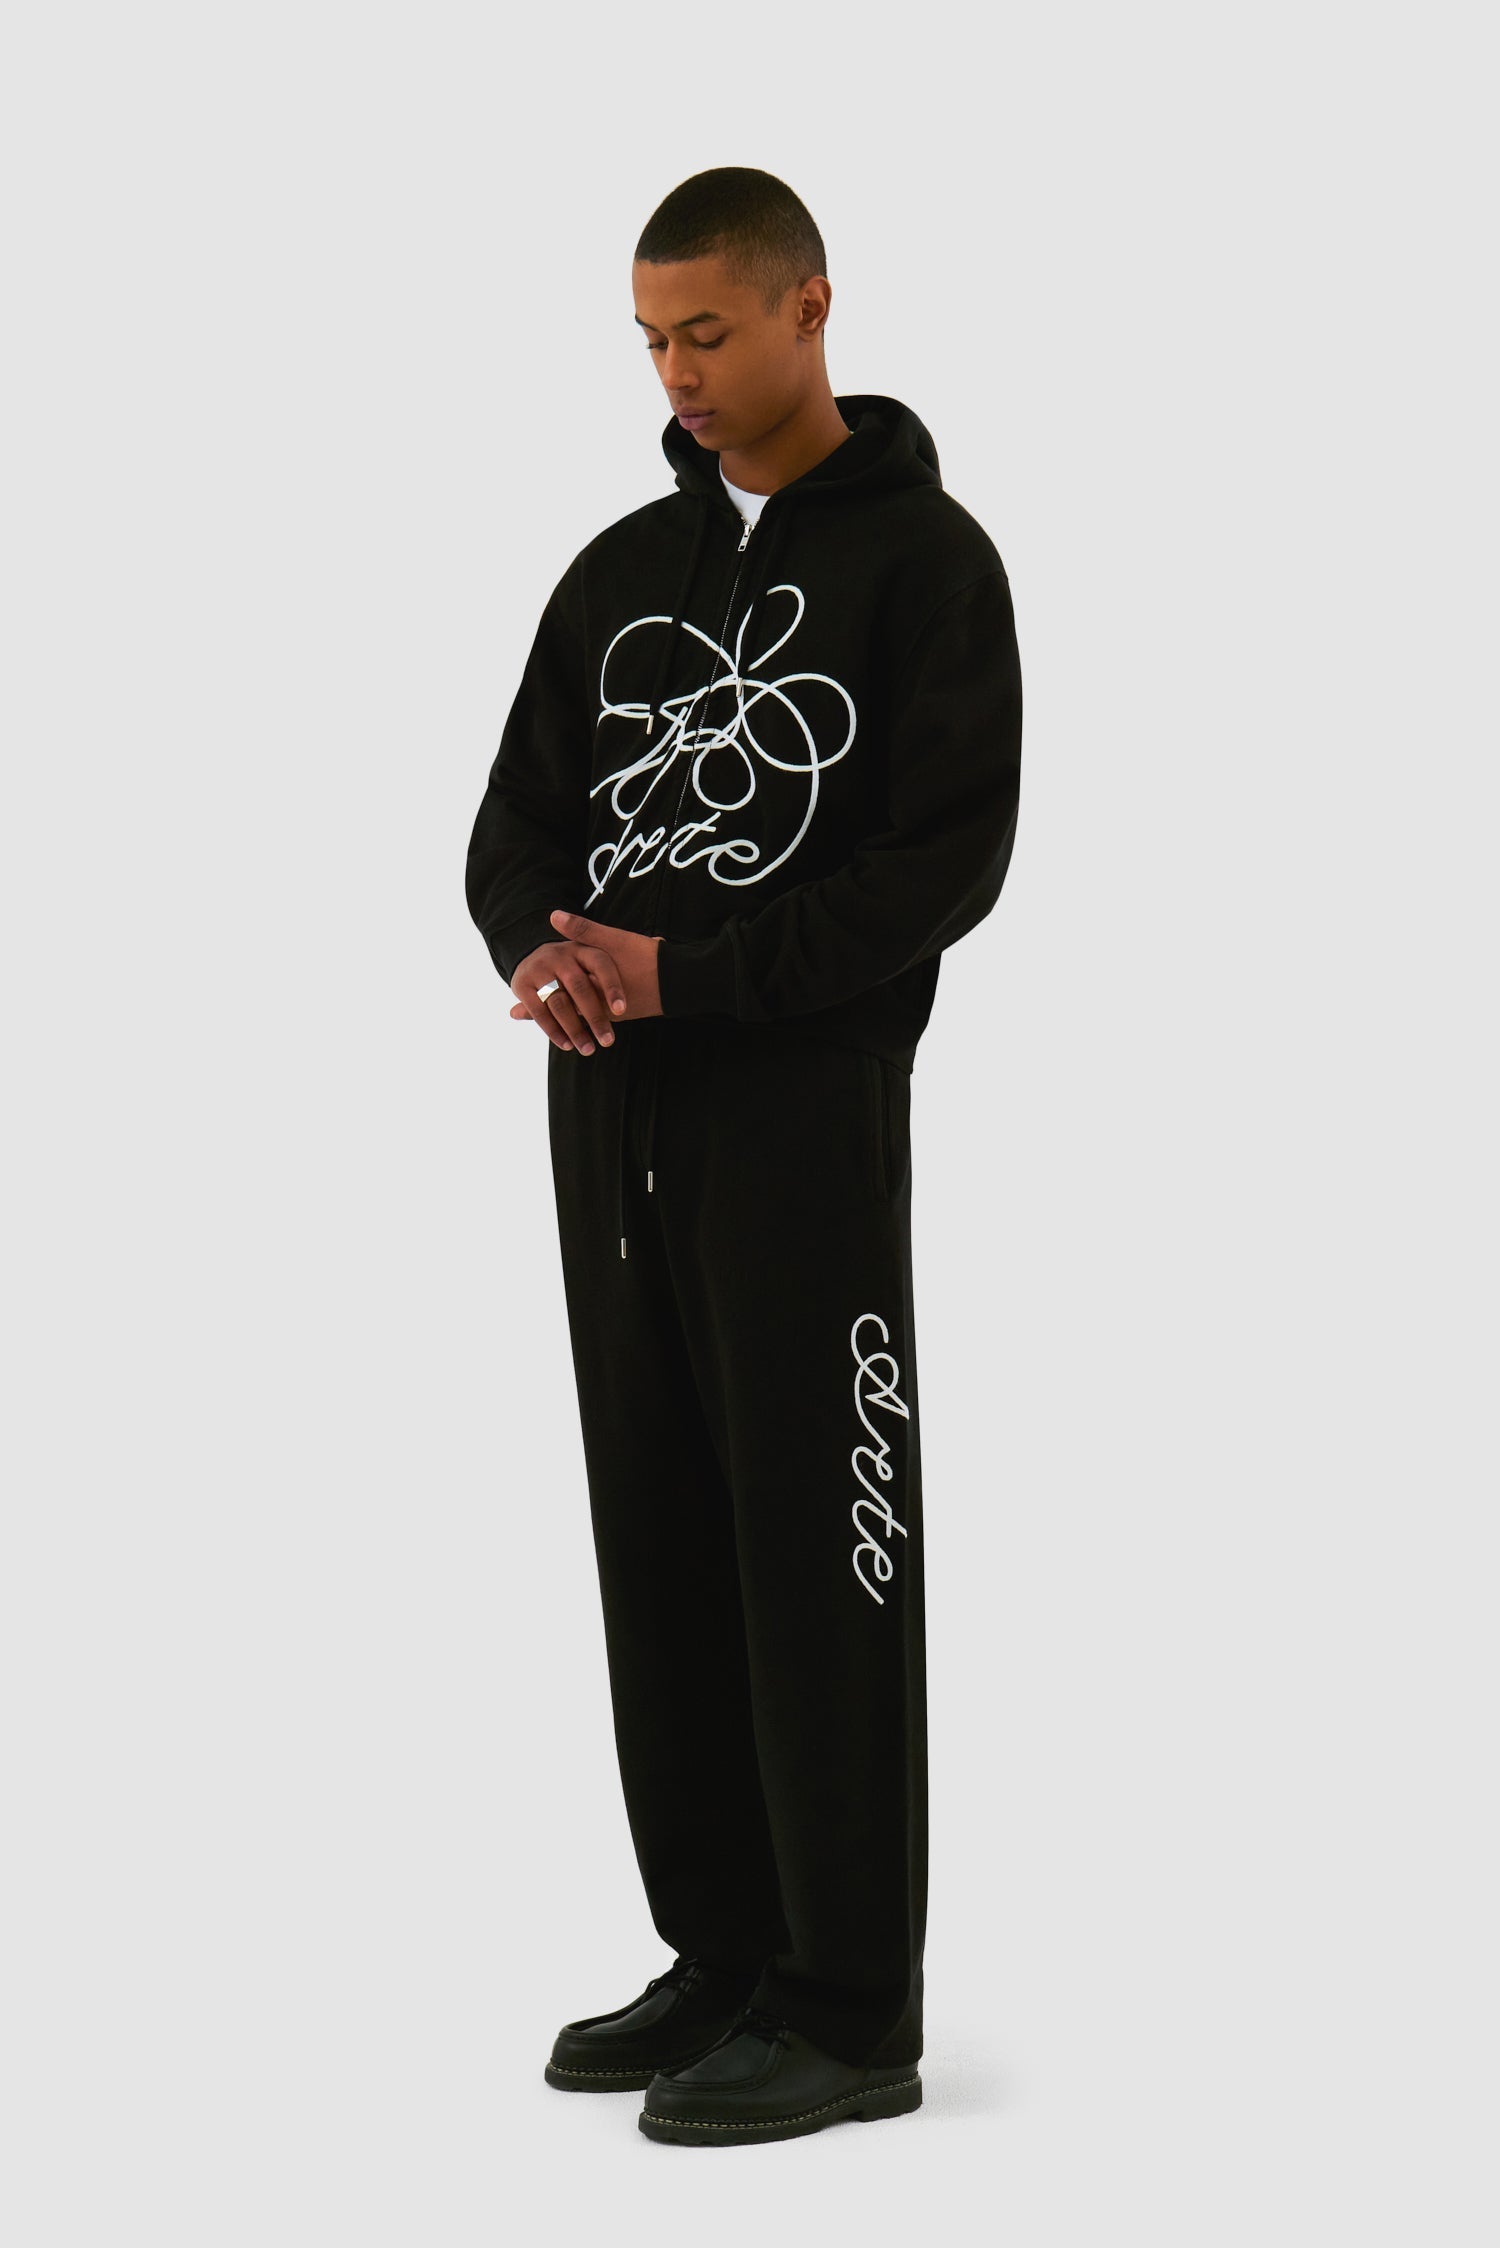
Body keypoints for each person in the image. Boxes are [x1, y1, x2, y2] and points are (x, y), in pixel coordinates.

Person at [465, 165, 1023, 2149]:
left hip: (799, 1118)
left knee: (819, 1544)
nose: (679, 373)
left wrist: (691, 973)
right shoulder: (621, 568)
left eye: (707, 330)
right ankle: (724, 1950)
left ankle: (851, 2000)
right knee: (663, 1533)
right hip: (612, 1113)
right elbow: (514, 824)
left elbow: (943, 862)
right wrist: (544, 950)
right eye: (651, 340)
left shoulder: (927, 565)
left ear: (809, 306)